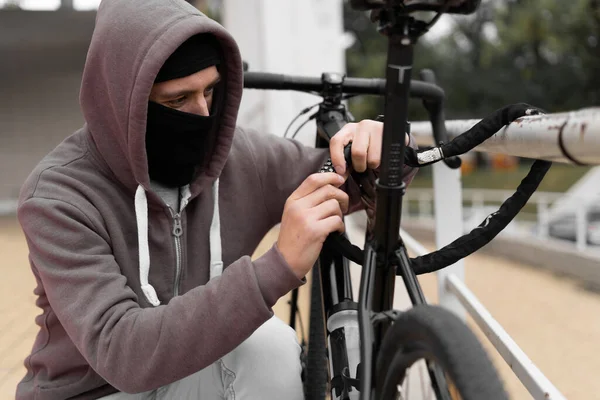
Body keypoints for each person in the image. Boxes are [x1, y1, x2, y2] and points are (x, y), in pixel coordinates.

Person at [15, 0, 417, 399]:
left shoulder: (238, 158)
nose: (203, 114)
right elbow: (122, 352)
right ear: (123, 100)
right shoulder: (57, 196)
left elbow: (339, 176)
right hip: (95, 391)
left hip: (191, 377)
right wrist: (278, 266)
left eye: (211, 90)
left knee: (269, 347)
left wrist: (382, 148)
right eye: (177, 101)